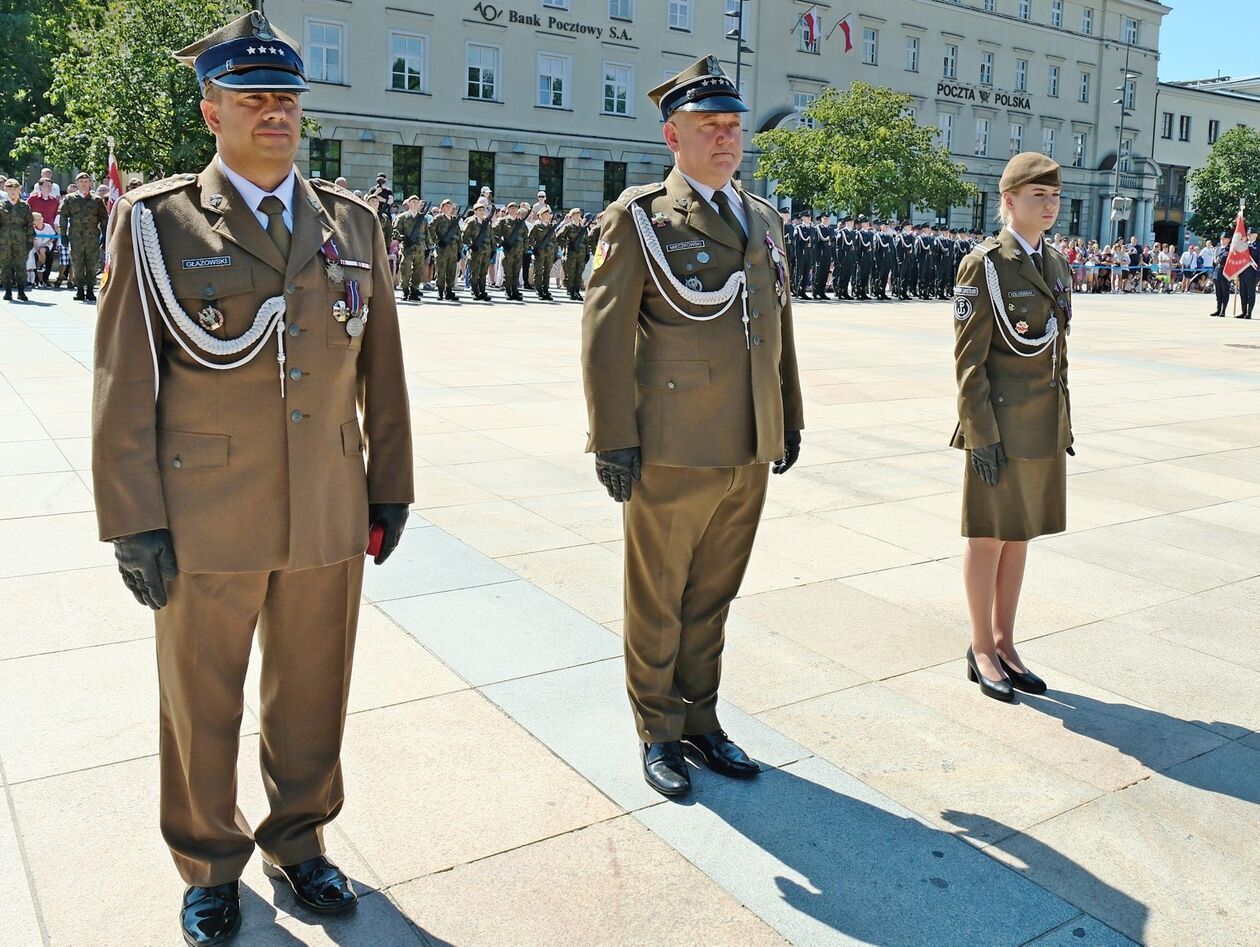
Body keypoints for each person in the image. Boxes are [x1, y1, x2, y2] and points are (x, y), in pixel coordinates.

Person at [90, 13, 413, 945]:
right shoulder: (158, 224)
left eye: (287, 98)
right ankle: (208, 860)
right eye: (253, 98)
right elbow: (123, 384)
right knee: (201, 695)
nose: (276, 113)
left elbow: (380, 365)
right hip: (203, 511)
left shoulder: (349, 222)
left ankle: (300, 840)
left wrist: (388, 484)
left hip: (325, 502)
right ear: (212, 111)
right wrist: (132, 520)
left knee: (313, 686)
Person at [581, 54, 804, 798]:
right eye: (709, 126)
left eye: (734, 125)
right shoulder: (640, 217)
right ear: (672, 136)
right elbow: (605, 337)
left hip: (747, 443)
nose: (727, 137)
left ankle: (700, 717)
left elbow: (779, 331)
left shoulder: (763, 217)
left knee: (712, 595)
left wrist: (790, 417)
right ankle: (656, 730)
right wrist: (613, 436)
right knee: (659, 597)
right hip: (672, 446)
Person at [951, 152, 1072, 703]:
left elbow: (1057, 353)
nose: (1048, 207)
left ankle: (1006, 640)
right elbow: (969, 362)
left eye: (1053, 197)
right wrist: (979, 434)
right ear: (1008, 201)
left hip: (1039, 423)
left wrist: (1063, 423)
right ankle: (980, 647)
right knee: (987, 536)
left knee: (1019, 535)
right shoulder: (984, 264)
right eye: (1036, 196)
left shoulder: (1055, 263)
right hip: (998, 424)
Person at [59, 171, 108, 301]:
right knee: (77, 264)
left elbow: (104, 218)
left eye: (86, 182)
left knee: (92, 264)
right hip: (76, 237)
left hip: (92, 237)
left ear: (90, 183)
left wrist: (105, 234)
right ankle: (80, 290)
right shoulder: (70, 199)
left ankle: (90, 290)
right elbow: (63, 216)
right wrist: (63, 234)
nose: (84, 184)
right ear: (77, 184)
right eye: (81, 182)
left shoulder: (96, 200)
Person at [0, 179, 34, 301]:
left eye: (15, 189)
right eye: (10, 189)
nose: (13, 191)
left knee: (21, 267)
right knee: (5, 267)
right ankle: (8, 291)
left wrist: (30, 240)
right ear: (6, 189)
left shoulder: (24, 206)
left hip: (20, 241)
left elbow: (30, 224)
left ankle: (21, 291)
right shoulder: (1, 206)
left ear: (19, 190)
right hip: (4, 242)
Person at [393, 194, 428, 301]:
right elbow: (395, 232)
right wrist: (403, 237)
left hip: (420, 248)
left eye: (417, 202)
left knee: (418, 270)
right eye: (412, 202)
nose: (415, 204)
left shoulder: (423, 218)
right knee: (405, 270)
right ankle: (405, 290)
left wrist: (428, 247)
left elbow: (427, 233)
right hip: (407, 248)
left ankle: (414, 290)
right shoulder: (402, 217)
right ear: (408, 204)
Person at [461, 199, 495, 301]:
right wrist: (471, 245)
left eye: (482, 210)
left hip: (486, 251)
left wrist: (493, 248)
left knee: (483, 272)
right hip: (475, 251)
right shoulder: (470, 221)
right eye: (479, 210)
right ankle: (475, 291)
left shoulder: (486, 222)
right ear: (475, 211)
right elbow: (464, 236)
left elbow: (491, 236)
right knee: (475, 273)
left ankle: (482, 291)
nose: (481, 212)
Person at [494, 201, 529, 301]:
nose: (513, 210)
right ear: (508, 210)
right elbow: (494, 233)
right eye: (511, 208)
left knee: (516, 271)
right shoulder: (503, 221)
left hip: (519, 251)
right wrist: (502, 243)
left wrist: (526, 249)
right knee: (508, 271)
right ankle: (508, 290)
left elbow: (525, 236)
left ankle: (515, 290)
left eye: (515, 208)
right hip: (508, 251)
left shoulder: (521, 222)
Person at [430, 199, 461, 301]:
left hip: (453, 250)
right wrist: (437, 241)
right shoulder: (438, 218)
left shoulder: (454, 220)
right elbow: (430, 229)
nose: (448, 208)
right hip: (442, 250)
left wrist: (460, 250)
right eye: (446, 207)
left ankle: (449, 291)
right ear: (442, 208)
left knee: (451, 272)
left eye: (450, 207)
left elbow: (459, 236)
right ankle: (440, 291)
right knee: (441, 271)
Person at [556, 207, 590, 300]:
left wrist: (587, 253)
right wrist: (567, 244)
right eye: (575, 215)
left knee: (579, 273)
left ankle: (577, 291)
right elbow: (559, 237)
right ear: (571, 216)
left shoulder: (583, 228)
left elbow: (586, 241)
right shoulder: (568, 227)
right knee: (571, 273)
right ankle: (571, 291)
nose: (577, 217)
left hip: (581, 254)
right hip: (571, 254)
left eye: (578, 215)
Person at [529, 205, 558, 301]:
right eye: (545, 213)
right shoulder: (537, 226)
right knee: (538, 271)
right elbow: (531, 238)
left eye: (548, 213)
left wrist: (555, 254)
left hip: (550, 253)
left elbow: (554, 241)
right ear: (541, 215)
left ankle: (546, 289)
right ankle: (539, 289)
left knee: (547, 272)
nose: (548, 215)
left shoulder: (551, 227)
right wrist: (535, 248)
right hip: (540, 252)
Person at [30, 210, 58, 287]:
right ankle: (40, 273)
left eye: (39, 218)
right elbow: (35, 243)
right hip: (37, 247)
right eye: (36, 219)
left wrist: (46, 243)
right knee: (37, 254)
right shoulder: (33, 229)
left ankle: (41, 264)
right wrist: (38, 253)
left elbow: (53, 237)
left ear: (42, 219)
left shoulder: (48, 226)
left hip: (48, 245)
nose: (38, 221)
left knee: (42, 249)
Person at [1238, 228, 1259, 319]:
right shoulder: (1244, 245)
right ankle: (1243, 311)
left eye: (1250, 234)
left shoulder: (1258, 246)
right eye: (1248, 234)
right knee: (1242, 293)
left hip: (1253, 273)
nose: (1248, 235)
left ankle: (1249, 312)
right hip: (1243, 273)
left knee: (1251, 293)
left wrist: (1258, 276)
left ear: (1256, 235)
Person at [1211, 231, 1232, 317]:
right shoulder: (1218, 249)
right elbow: (1214, 262)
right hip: (1217, 272)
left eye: (1224, 239)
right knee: (1218, 293)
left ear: (1228, 240)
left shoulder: (1230, 249)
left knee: (1225, 292)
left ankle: (1223, 311)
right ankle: (1218, 309)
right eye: (1221, 239)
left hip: (1225, 272)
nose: (1222, 240)